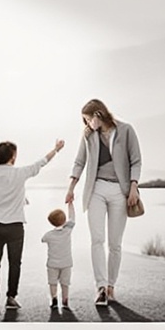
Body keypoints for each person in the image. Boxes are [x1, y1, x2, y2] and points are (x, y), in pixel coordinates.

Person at [66, 99, 142, 309]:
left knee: (115, 244)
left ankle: (111, 286)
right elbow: (79, 162)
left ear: (98, 115)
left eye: (88, 119)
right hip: (96, 190)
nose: (87, 124)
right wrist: (71, 187)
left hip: (120, 191)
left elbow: (135, 160)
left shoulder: (126, 130)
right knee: (97, 240)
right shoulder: (88, 136)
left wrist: (134, 187)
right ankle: (100, 287)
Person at [0, 134, 65, 312]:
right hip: (15, 226)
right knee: (14, 262)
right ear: (13, 156)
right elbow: (42, 162)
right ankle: (11, 297)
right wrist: (56, 149)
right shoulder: (20, 173)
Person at [42, 202, 74, 317]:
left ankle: (54, 299)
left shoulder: (49, 235)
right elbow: (72, 218)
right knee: (65, 283)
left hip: (52, 264)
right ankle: (65, 300)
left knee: (53, 282)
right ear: (64, 220)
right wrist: (70, 205)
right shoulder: (67, 231)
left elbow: (42, 239)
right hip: (66, 263)